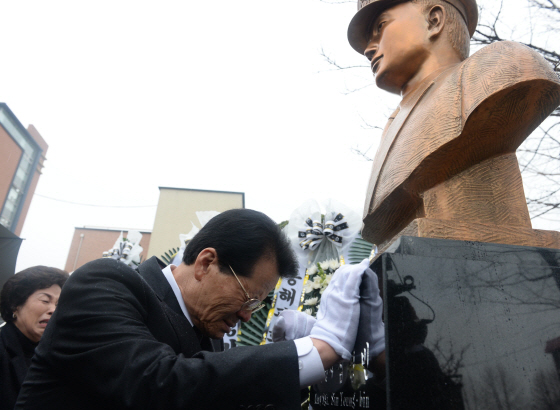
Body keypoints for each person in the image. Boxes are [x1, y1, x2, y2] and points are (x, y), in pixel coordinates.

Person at [16, 209, 370, 410]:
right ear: (205, 263)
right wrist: (314, 351)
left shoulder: (207, 334)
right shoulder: (105, 284)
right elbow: (158, 383)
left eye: (258, 305)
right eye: (248, 298)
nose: (248, 315)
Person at [350, 0, 560, 248]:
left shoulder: (503, 66)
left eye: (380, 26)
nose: (368, 49)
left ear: (434, 20)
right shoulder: (391, 127)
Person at [0, 266, 69, 410]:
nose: (53, 310)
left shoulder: (54, 356)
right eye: (45, 300)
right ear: (15, 305)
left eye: (59, 304)